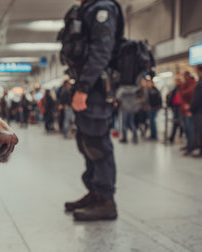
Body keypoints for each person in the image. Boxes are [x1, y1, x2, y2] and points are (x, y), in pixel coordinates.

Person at [62, 0, 123, 221]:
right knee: (86, 142)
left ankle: (106, 201)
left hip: (96, 89)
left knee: (98, 144)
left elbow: (101, 51)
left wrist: (84, 88)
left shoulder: (102, 8)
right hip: (88, 86)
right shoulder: (87, 8)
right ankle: (95, 193)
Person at [178, 71, 196, 151]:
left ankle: (192, 146)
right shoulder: (184, 85)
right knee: (187, 129)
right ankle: (189, 145)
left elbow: (186, 94)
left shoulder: (193, 84)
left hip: (189, 110)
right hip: (184, 110)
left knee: (190, 129)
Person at [167, 77, 183, 143]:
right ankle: (172, 136)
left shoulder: (181, 89)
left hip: (179, 108)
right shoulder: (175, 90)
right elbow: (170, 98)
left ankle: (176, 135)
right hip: (175, 108)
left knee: (179, 122)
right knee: (176, 123)